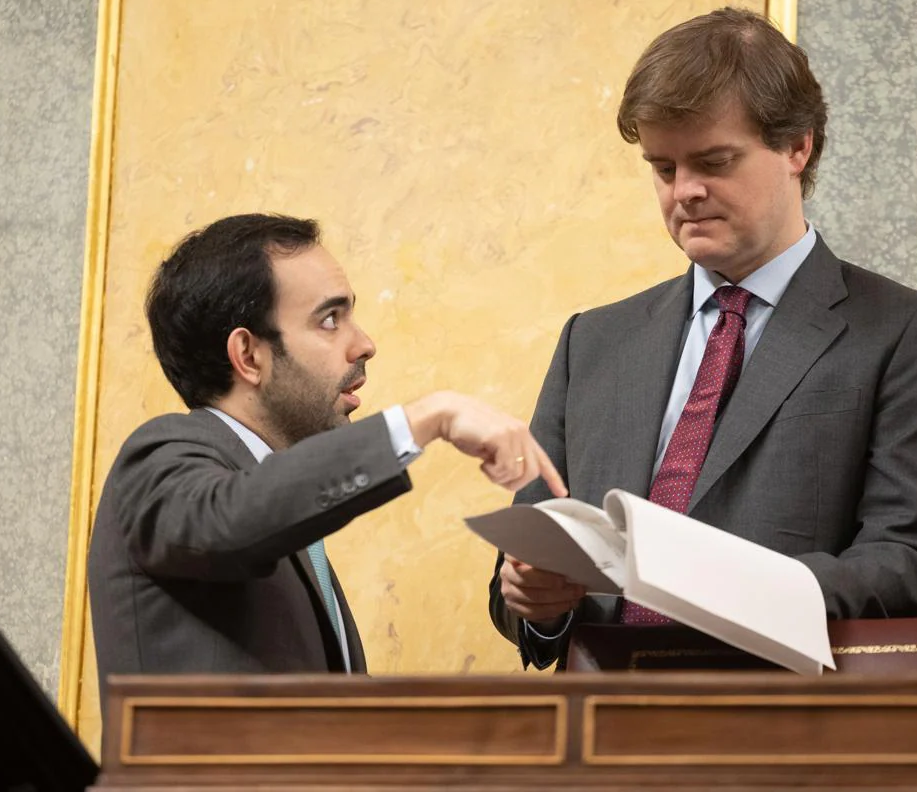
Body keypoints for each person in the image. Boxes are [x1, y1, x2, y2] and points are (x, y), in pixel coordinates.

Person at [488, 7, 917, 670]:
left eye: (714, 161)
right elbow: (531, 562)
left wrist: (733, 589)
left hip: (781, 733)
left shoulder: (904, 331)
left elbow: (913, 562)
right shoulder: (593, 341)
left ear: (797, 146)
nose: (685, 191)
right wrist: (531, 597)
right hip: (599, 739)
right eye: (663, 168)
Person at [88, 213, 565, 704]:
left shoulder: (281, 511)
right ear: (249, 356)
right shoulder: (156, 462)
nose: (364, 344)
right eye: (330, 319)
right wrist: (426, 419)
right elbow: (232, 516)